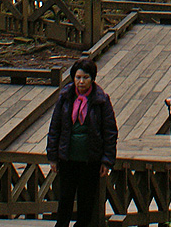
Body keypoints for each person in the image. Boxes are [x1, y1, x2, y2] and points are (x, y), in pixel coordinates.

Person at [47, 57, 118, 227]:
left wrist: (107, 161)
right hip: (68, 157)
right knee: (65, 199)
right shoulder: (65, 97)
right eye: (78, 77)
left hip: (90, 159)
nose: (81, 82)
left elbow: (110, 132)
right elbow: (54, 127)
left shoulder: (101, 100)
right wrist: (52, 156)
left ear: (92, 78)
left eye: (85, 78)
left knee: (86, 202)